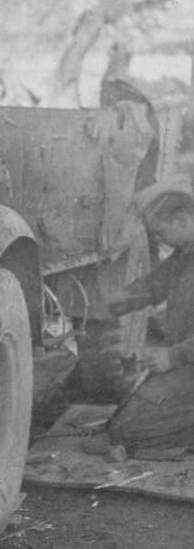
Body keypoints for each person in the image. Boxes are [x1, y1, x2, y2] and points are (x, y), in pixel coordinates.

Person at [106, 180, 194, 449]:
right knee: (124, 418)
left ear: (181, 221)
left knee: (127, 430)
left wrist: (171, 356)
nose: (157, 240)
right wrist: (113, 301)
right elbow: (155, 284)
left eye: (160, 232)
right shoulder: (185, 254)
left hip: (186, 360)